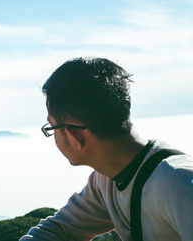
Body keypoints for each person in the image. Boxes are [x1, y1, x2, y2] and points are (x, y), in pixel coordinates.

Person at [19, 57, 193, 241]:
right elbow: (60, 229)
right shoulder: (106, 180)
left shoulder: (179, 186)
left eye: (51, 127)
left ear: (74, 136)